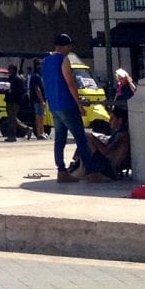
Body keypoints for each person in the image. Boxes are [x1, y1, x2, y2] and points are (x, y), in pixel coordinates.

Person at [38, 33, 88, 182]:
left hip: (54, 105)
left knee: (59, 139)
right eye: (69, 46)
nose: (70, 49)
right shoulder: (63, 60)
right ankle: (92, 171)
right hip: (67, 103)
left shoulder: (45, 61)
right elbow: (70, 83)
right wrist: (79, 104)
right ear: (64, 46)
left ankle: (61, 170)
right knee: (81, 138)